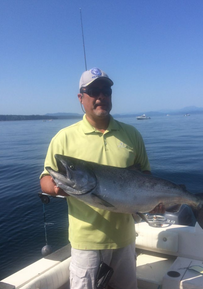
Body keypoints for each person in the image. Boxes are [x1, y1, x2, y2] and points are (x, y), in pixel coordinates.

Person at [40, 67, 160, 289]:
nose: (101, 96)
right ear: (81, 98)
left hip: (125, 241)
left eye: (106, 90)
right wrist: (57, 188)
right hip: (86, 244)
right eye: (94, 91)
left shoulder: (131, 134)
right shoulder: (64, 138)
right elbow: (46, 178)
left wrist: (154, 202)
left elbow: (144, 176)